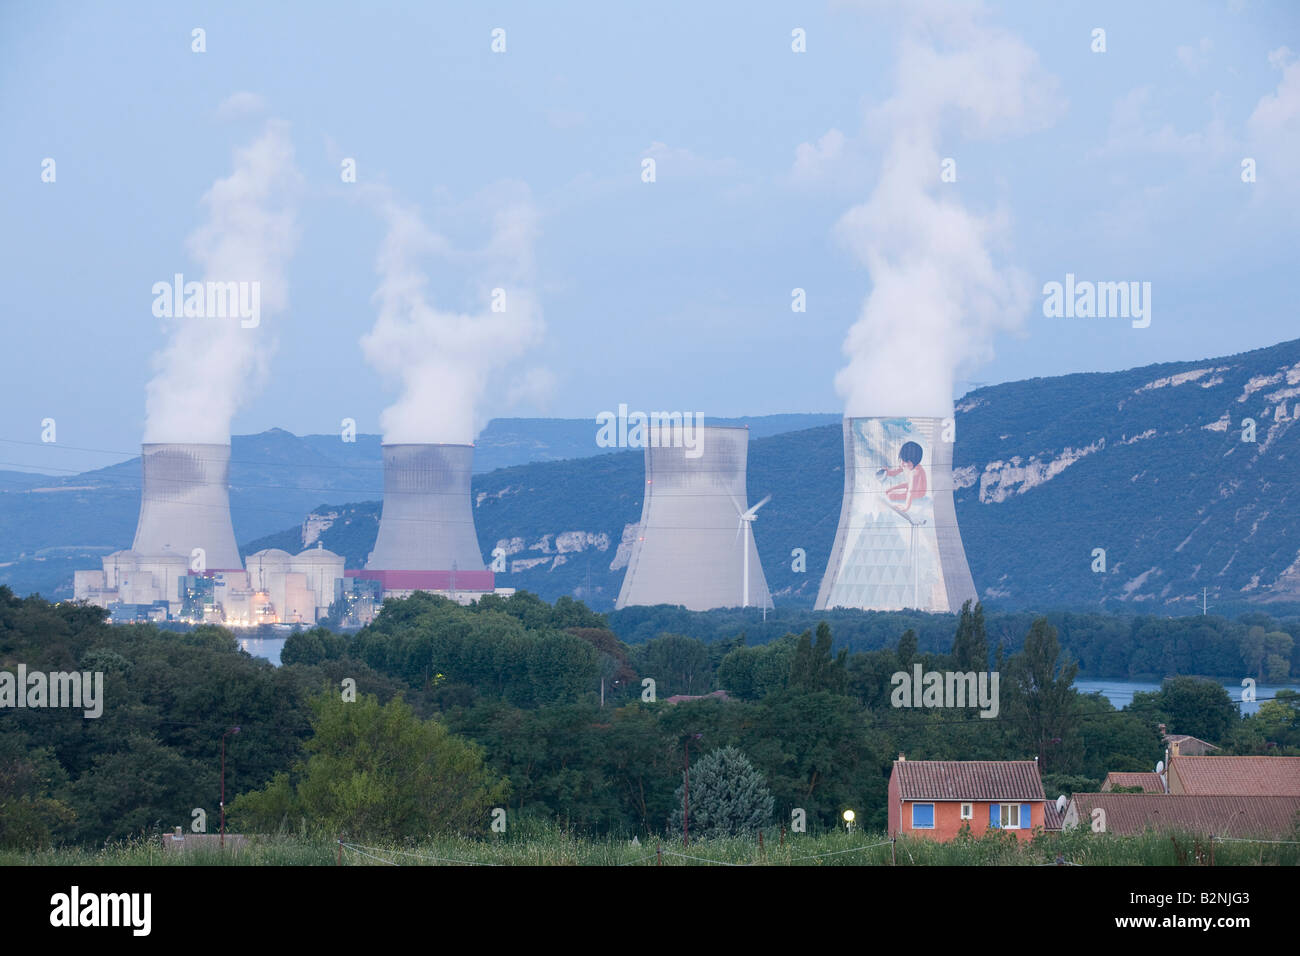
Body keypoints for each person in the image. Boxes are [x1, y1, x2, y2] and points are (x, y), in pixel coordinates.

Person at [877, 440, 927, 513]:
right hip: (910, 485)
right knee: (888, 490)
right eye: (901, 460)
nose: (902, 463)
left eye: (906, 462)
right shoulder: (906, 465)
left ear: (914, 462)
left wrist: (906, 507)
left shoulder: (915, 472)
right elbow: (895, 472)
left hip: (918, 492)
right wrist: (888, 472)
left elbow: (911, 491)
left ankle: (887, 505)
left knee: (891, 495)